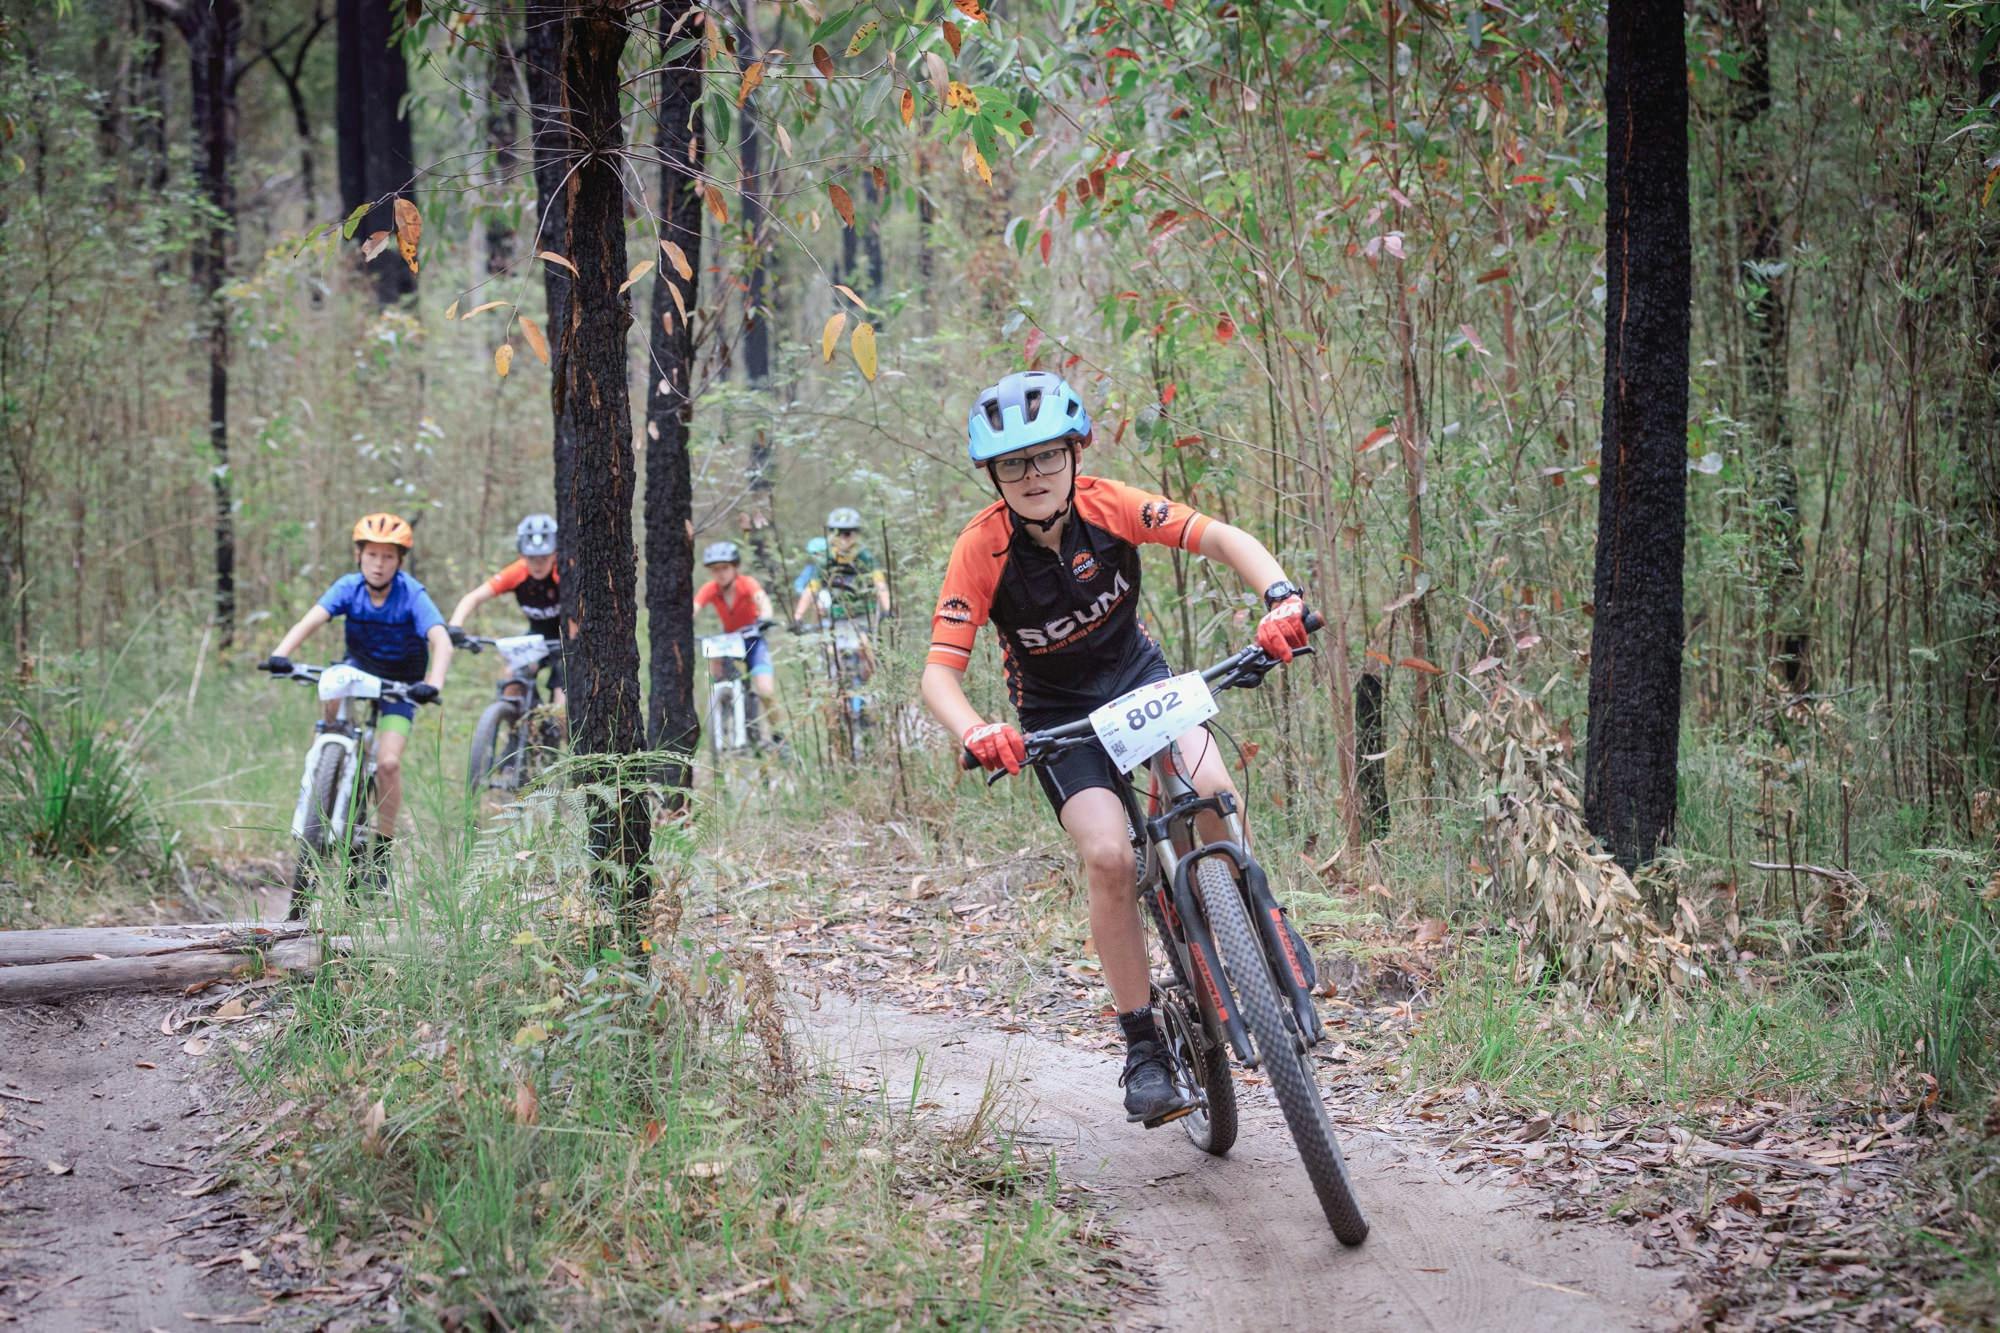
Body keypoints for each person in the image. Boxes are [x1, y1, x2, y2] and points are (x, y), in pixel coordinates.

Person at [919, 371, 1313, 1125]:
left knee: (1209, 784)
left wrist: (1279, 598)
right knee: (1108, 854)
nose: (1032, 477)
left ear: (1075, 452)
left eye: (1045, 458)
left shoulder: (1111, 504)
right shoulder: (983, 547)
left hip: (1138, 679)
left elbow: (1222, 538)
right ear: (993, 476)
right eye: (1012, 465)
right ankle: (1144, 1046)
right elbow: (940, 673)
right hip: (1058, 712)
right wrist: (977, 729)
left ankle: (1264, 922)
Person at [263, 513, 454, 881]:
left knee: (388, 764)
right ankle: (328, 766)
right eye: (372, 556)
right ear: (358, 556)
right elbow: (311, 619)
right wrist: (280, 654)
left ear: (399, 561)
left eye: (387, 557)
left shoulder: (411, 594)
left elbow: (441, 641)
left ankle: (381, 848)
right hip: (359, 670)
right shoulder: (348, 587)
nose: (379, 565)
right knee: (331, 688)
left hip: (402, 683)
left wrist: (434, 683)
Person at [445, 513, 567, 712]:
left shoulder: (562, 574)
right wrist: (455, 626)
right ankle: (516, 732)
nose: (537, 564)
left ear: (555, 554)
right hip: (537, 637)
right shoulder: (518, 572)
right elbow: (473, 597)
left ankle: (559, 735)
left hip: (567, 640)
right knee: (511, 676)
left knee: (561, 704)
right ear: (521, 554)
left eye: (544, 557)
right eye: (531, 558)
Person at [693, 541, 787, 746]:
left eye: (725, 567)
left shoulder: (747, 583)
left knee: (765, 691)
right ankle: (722, 712)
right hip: (730, 642)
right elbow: (694, 607)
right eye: (715, 569)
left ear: (735, 567)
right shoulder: (710, 589)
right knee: (715, 668)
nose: (721, 573)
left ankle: (780, 737)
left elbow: (762, 600)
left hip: (753, 639)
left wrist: (765, 617)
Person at [792, 507, 893, 681]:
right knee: (831, 660)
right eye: (838, 533)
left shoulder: (865, 558)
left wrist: (887, 609)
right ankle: (836, 700)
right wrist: (798, 616)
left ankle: (871, 691)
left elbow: (880, 584)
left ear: (856, 535)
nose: (843, 538)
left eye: (848, 533)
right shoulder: (825, 561)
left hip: (862, 617)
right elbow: (811, 589)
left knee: (866, 650)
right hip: (835, 619)